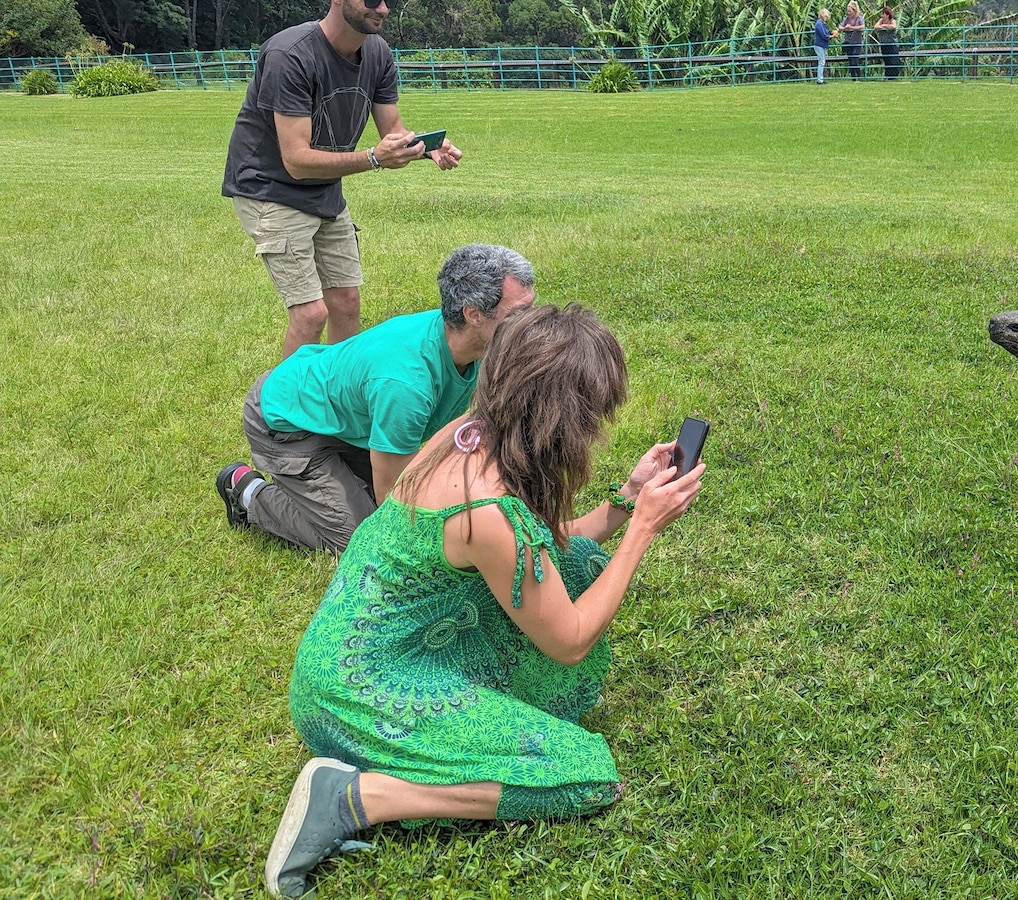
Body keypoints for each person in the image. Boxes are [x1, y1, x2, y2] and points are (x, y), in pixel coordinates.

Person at [261, 303, 705, 898]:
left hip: (357, 658)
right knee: (579, 774)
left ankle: (430, 751)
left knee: (573, 565)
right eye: (592, 417)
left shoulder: (468, 435)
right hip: (360, 693)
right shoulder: (490, 512)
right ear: (562, 419)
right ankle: (357, 796)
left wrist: (626, 499)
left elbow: (543, 551)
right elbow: (570, 640)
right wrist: (643, 530)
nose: (597, 431)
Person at [215, 244, 534, 553]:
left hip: (340, 423)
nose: (533, 323)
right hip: (284, 424)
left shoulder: (476, 347)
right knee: (360, 538)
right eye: (521, 312)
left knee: (422, 496)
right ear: (474, 314)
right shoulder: (406, 383)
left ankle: (328, 483)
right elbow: (391, 495)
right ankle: (248, 491)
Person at [222, 0, 465, 359]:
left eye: (388, 1)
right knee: (310, 313)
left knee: (346, 303)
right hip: (269, 188)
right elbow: (296, 160)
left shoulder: (377, 52)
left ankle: (337, 401)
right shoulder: (289, 55)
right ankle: (283, 409)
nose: (381, 8)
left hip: (324, 189)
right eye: (370, 0)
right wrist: (372, 159)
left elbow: (392, 129)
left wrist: (425, 146)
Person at [840, 1, 867, 80]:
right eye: (847, 11)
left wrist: (852, 27)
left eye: (850, 11)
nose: (848, 13)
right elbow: (840, 27)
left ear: (854, 10)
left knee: (854, 60)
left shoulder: (859, 18)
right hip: (848, 43)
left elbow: (862, 26)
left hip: (857, 43)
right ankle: (853, 78)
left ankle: (859, 75)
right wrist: (845, 28)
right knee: (850, 60)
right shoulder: (846, 19)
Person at [874, 4, 901, 79]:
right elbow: (876, 26)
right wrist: (884, 26)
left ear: (887, 15)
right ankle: (888, 76)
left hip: (892, 44)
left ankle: (894, 76)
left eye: (883, 14)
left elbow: (893, 26)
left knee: (893, 60)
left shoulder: (893, 21)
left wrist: (884, 26)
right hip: (884, 44)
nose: (882, 15)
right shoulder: (881, 20)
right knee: (887, 60)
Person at [813, 9, 837, 84]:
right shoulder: (819, 24)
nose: (826, 18)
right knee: (821, 62)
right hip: (819, 45)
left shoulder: (821, 23)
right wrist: (832, 36)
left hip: (821, 45)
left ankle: (821, 79)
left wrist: (831, 32)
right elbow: (824, 36)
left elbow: (826, 32)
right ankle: (820, 80)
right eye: (826, 16)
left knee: (822, 62)